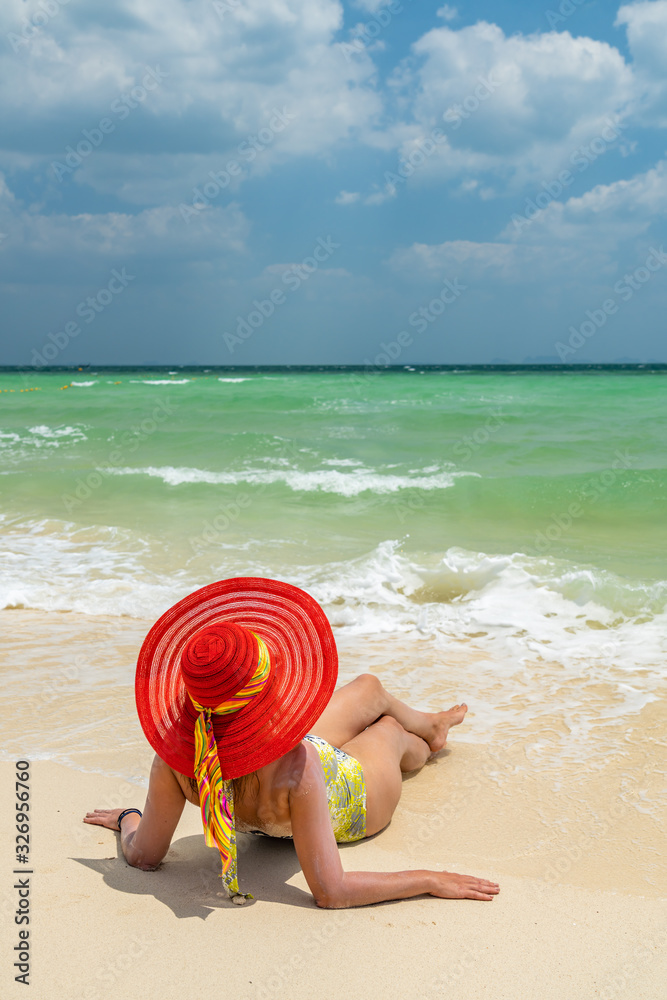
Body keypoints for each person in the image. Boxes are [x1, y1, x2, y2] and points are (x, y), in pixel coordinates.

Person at [84, 577, 500, 908]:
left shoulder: (176, 759)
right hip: (350, 794)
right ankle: (426, 742)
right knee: (388, 732)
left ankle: (431, 723)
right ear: (264, 693)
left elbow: (142, 857)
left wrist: (129, 818)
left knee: (368, 688)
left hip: (274, 755)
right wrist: (428, 880)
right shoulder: (296, 770)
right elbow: (333, 891)